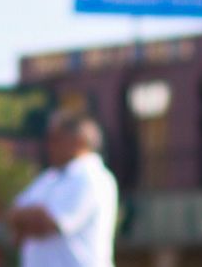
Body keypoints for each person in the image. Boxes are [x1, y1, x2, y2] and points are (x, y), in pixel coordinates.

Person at [9, 112, 120, 267]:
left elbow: (47, 224)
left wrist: (28, 221)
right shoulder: (49, 177)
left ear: (79, 141)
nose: (49, 146)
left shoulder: (91, 177)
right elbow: (12, 215)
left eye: (56, 139)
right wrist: (27, 219)